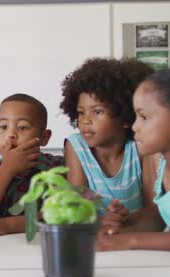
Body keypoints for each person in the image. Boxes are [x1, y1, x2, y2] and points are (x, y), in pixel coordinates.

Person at [98, 66, 170, 251]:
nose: (135, 126)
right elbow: (158, 216)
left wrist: (132, 241)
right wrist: (121, 227)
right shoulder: (157, 159)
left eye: (144, 117)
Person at [60, 58, 153, 216]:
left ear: (125, 116)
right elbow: (79, 208)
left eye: (97, 111)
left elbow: (152, 211)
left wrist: (124, 222)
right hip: (93, 233)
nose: (85, 120)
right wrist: (107, 223)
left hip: (136, 231)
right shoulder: (76, 146)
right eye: (81, 112)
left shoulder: (141, 147)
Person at [0, 94, 64, 236]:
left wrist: (9, 225)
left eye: (22, 127)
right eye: (3, 127)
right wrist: (6, 170)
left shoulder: (56, 168)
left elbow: (62, 215)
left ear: (44, 137)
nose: (11, 134)